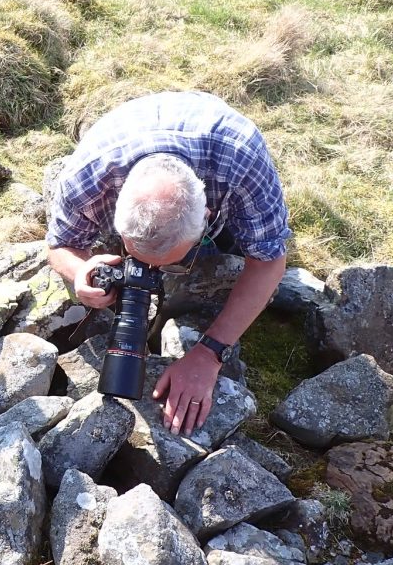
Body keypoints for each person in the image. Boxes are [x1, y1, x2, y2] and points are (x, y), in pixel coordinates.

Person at [47, 90, 291, 436]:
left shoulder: (243, 161)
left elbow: (269, 260)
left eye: (170, 264)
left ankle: (195, 253)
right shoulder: (91, 174)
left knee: (231, 256)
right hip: (127, 137)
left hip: (215, 152)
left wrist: (209, 354)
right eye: (139, 260)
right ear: (114, 211)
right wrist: (80, 272)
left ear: (207, 216)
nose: (153, 275)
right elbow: (59, 244)